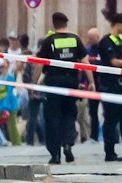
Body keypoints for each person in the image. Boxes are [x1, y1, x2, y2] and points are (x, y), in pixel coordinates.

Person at [34, 13, 86, 164]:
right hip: (71, 83)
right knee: (69, 115)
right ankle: (68, 145)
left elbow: (39, 63)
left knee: (52, 119)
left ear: (53, 24)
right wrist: (91, 81)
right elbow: (85, 62)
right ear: (66, 23)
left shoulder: (49, 41)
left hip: (54, 85)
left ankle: (55, 154)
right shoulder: (74, 39)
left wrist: (35, 83)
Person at [96, 12, 122, 161]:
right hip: (110, 86)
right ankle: (109, 152)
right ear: (118, 25)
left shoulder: (119, 41)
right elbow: (114, 62)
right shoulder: (106, 42)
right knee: (111, 120)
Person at [80, 27, 104, 143]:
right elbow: (85, 67)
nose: (89, 40)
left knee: (109, 112)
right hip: (92, 85)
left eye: (91, 38)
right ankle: (94, 135)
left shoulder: (103, 49)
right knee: (92, 111)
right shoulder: (87, 50)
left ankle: (112, 136)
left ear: (97, 37)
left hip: (104, 83)